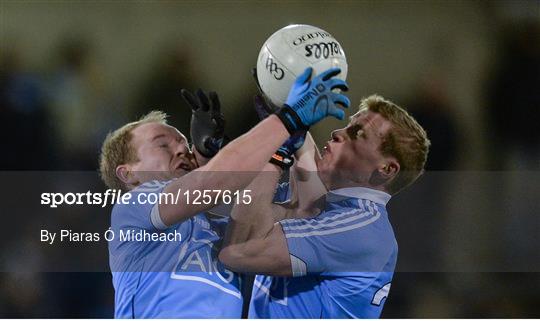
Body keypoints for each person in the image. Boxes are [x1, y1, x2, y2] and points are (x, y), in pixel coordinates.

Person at [98, 67, 350, 318]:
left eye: (185, 144)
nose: (181, 150)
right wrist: (288, 118)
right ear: (127, 173)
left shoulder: (225, 214)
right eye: (163, 144)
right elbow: (210, 185)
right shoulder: (132, 207)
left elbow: (308, 212)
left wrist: (296, 140)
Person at [219, 95, 430, 318]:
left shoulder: (359, 229)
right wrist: (288, 113)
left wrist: (275, 153)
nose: (337, 133)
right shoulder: (342, 212)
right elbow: (308, 187)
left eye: (357, 133)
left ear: (386, 169)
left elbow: (236, 252)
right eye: (348, 125)